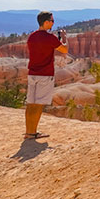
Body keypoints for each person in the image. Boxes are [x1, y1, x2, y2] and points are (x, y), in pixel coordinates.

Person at [24, 11, 68, 140]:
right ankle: (33, 133)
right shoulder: (50, 38)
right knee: (39, 104)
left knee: (31, 104)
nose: (53, 23)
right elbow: (64, 50)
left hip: (32, 73)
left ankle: (29, 131)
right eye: (52, 21)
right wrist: (63, 37)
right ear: (46, 22)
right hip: (45, 75)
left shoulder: (31, 37)